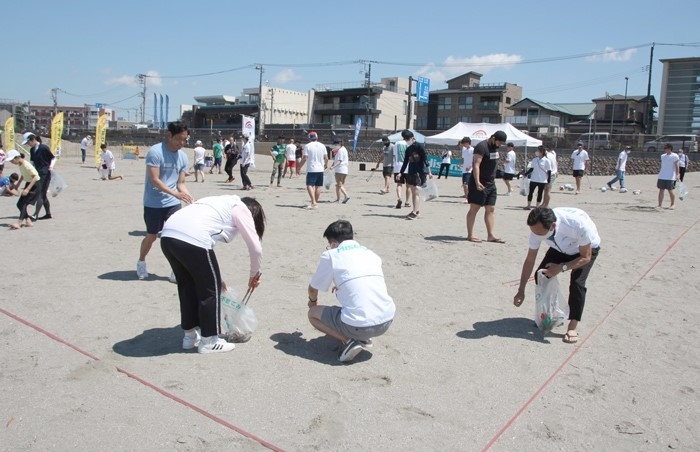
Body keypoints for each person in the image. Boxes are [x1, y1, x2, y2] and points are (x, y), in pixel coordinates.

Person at [160, 195, 265, 354]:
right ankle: (209, 340)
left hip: (168, 237)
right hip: (192, 238)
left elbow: (200, 260)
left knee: (187, 287)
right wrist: (254, 275)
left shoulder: (218, 201)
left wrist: (216, 278)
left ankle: (189, 336)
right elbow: (255, 247)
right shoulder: (240, 208)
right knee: (210, 292)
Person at [307, 220, 395, 363]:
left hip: (360, 325)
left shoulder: (331, 255)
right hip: (386, 320)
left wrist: (312, 302)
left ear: (334, 243)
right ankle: (362, 337)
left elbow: (313, 288)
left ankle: (349, 341)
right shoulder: (371, 254)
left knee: (313, 315)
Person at [513, 207, 601, 344]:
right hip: (559, 248)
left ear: (553, 226)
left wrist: (561, 267)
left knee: (577, 283)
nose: (536, 235)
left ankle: (573, 325)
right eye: (533, 232)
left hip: (584, 250)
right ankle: (549, 316)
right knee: (541, 275)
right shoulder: (536, 230)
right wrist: (521, 290)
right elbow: (530, 259)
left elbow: (586, 257)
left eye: (540, 234)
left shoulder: (577, 225)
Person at [137, 121, 193, 280]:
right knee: (152, 236)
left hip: (173, 204)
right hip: (153, 203)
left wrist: (190, 199)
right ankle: (141, 262)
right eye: (178, 139)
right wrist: (175, 193)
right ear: (169, 135)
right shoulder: (155, 152)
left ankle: (175, 269)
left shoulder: (182, 156)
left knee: (175, 237)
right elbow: (154, 180)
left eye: (185, 140)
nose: (182, 143)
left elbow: (181, 183)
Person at [466, 131, 507, 243]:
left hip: (491, 183)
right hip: (479, 182)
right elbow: (476, 164)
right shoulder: (481, 146)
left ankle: (491, 235)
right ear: (493, 138)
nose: (500, 145)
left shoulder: (495, 148)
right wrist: (477, 181)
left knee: (491, 209)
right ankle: (470, 235)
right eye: (499, 142)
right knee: (474, 208)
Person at [398, 133, 432, 220]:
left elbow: (425, 158)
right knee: (414, 192)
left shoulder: (419, 146)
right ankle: (416, 211)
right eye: (405, 139)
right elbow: (405, 162)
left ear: (413, 138)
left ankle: (414, 212)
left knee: (416, 192)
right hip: (411, 172)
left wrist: (429, 172)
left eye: (407, 139)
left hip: (420, 172)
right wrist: (400, 173)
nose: (406, 141)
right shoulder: (408, 149)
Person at [5, 150, 40, 229]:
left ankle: (19, 223)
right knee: (19, 204)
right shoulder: (20, 164)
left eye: (12, 160)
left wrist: (27, 189)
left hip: (34, 185)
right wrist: (18, 184)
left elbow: (35, 177)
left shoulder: (26, 165)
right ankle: (28, 221)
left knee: (23, 204)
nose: (11, 162)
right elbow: (23, 175)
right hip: (29, 183)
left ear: (17, 158)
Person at [24, 133, 55, 220]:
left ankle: (36, 214)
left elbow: (53, 158)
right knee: (43, 195)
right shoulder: (32, 150)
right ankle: (48, 214)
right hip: (37, 173)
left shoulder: (43, 148)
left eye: (28, 142)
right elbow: (32, 162)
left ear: (33, 140)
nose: (28, 144)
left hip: (45, 173)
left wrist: (51, 166)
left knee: (40, 193)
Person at [300, 131, 328, 209]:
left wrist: (299, 166)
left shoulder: (308, 146)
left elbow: (305, 158)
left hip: (312, 168)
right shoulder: (322, 145)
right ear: (317, 137)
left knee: (309, 185)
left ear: (309, 138)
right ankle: (314, 202)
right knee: (318, 186)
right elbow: (326, 158)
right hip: (320, 168)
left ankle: (314, 202)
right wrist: (325, 165)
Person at [393, 130, 413, 209]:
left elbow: (394, 155)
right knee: (408, 186)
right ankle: (407, 202)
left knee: (399, 184)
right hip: (407, 167)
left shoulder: (397, 143)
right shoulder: (409, 144)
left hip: (398, 166)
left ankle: (399, 198)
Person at [657, 143, 680, 209]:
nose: (664, 149)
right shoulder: (662, 156)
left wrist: (677, 174)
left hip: (670, 176)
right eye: (664, 148)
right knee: (661, 190)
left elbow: (677, 166)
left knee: (670, 190)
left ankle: (672, 204)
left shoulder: (675, 156)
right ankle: (659, 204)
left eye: (666, 148)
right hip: (662, 176)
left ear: (669, 149)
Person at [331, 138, 350, 203]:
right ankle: (338, 199)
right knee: (339, 185)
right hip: (344, 169)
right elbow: (336, 160)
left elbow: (339, 161)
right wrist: (332, 165)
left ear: (339, 143)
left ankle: (345, 195)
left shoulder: (341, 150)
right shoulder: (343, 149)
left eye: (335, 144)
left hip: (340, 169)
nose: (335, 146)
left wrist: (333, 166)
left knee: (339, 185)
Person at [459, 137, 474, 204]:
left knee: (466, 184)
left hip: (470, 170)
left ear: (468, 143)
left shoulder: (473, 150)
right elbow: (463, 159)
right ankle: (467, 196)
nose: (463, 145)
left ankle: (467, 199)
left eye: (464, 143)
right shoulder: (464, 150)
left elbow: (475, 159)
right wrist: (460, 164)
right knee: (465, 184)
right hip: (464, 170)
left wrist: (470, 165)